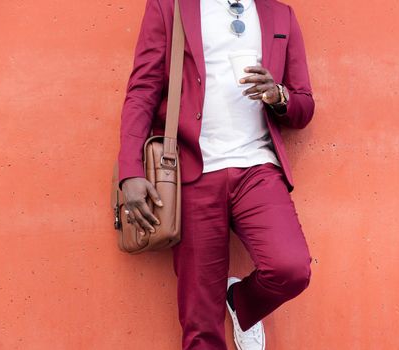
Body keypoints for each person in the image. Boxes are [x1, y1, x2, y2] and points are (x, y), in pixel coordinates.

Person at [117, 0, 314, 348]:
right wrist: (130, 170)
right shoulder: (170, 6)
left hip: (256, 167)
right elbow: (143, 89)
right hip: (191, 170)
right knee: (200, 321)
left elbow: (303, 106)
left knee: (290, 269)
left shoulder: (279, 14)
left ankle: (242, 302)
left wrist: (277, 94)